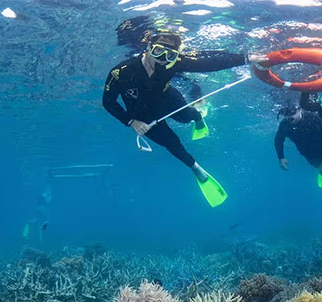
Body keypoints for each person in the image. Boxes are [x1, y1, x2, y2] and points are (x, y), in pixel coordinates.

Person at [102, 30, 262, 187]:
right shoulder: (121, 72)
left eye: (170, 55)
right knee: (170, 142)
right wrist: (131, 122)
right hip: (141, 114)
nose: (162, 60)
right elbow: (108, 102)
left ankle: (198, 117)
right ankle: (194, 166)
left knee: (187, 117)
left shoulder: (174, 63)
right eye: (158, 51)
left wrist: (247, 58)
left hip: (167, 98)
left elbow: (210, 62)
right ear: (149, 46)